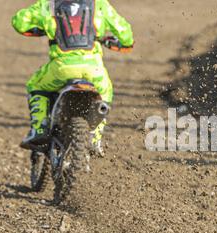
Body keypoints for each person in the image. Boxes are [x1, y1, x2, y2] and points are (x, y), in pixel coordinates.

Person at [12, 0, 134, 154]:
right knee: (106, 91)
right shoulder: (100, 4)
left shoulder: (49, 4)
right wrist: (114, 42)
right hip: (94, 71)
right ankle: (95, 138)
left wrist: (41, 29)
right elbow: (126, 35)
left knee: (35, 84)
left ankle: (39, 128)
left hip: (62, 69)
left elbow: (19, 22)